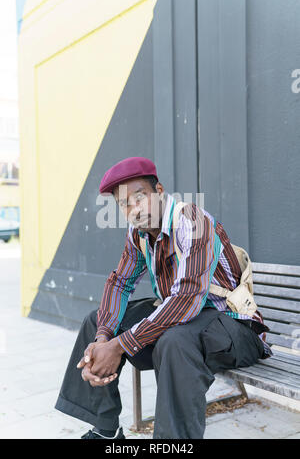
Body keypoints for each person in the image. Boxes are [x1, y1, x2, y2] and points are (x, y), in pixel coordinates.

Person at [55, 156, 272, 439]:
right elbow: (120, 283)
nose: (133, 209)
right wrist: (104, 339)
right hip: (189, 325)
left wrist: (120, 346)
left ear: (159, 192)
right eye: (124, 204)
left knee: (175, 340)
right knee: (95, 322)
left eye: (140, 197)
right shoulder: (139, 234)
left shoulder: (194, 221)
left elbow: (187, 298)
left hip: (235, 330)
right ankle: (105, 430)